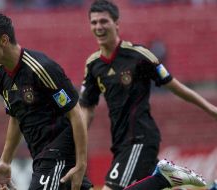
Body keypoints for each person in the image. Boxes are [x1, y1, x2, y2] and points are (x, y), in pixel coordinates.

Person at [79, 0, 217, 190]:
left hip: (139, 138)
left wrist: (210, 109)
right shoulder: (93, 65)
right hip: (120, 142)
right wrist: (76, 141)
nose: (98, 27)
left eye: (104, 21)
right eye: (94, 22)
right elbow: (87, 109)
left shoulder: (139, 56)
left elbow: (176, 87)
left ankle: (164, 177)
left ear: (116, 23)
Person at [0, 13, 93, 190]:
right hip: (39, 154)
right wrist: (5, 162)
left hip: (57, 150)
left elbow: (76, 113)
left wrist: (81, 163)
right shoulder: (0, 76)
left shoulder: (41, 68)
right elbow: (16, 116)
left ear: (4, 40)